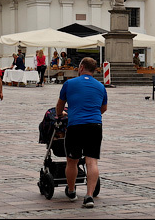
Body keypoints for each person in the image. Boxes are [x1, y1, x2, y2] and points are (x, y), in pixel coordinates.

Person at [56, 57, 107, 208]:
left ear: (81, 67)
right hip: (95, 125)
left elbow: (60, 106)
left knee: (72, 160)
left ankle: (71, 191)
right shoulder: (100, 86)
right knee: (92, 161)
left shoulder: (69, 83)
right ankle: (89, 196)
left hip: (75, 125)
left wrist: (61, 115)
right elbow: (103, 108)